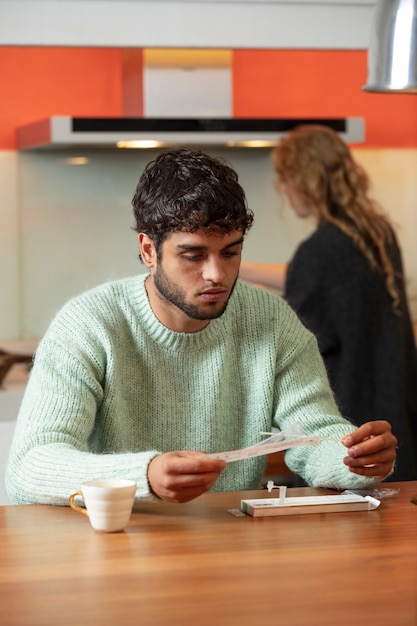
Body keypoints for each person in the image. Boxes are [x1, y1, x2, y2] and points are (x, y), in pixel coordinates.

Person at [6, 147, 397, 506]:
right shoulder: (88, 325)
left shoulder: (272, 321)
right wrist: (145, 475)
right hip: (113, 545)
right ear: (148, 251)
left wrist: (353, 458)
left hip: (228, 543)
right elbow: (29, 467)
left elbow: (312, 433)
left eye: (231, 252)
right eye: (193, 255)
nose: (217, 274)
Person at [240, 125, 417, 481]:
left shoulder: (321, 250)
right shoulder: (373, 233)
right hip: (396, 422)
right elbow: (310, 276)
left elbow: (297, 346)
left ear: (302, 181)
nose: (285, 191)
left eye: (285, 181)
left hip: (347, 436)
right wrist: (235, 267)